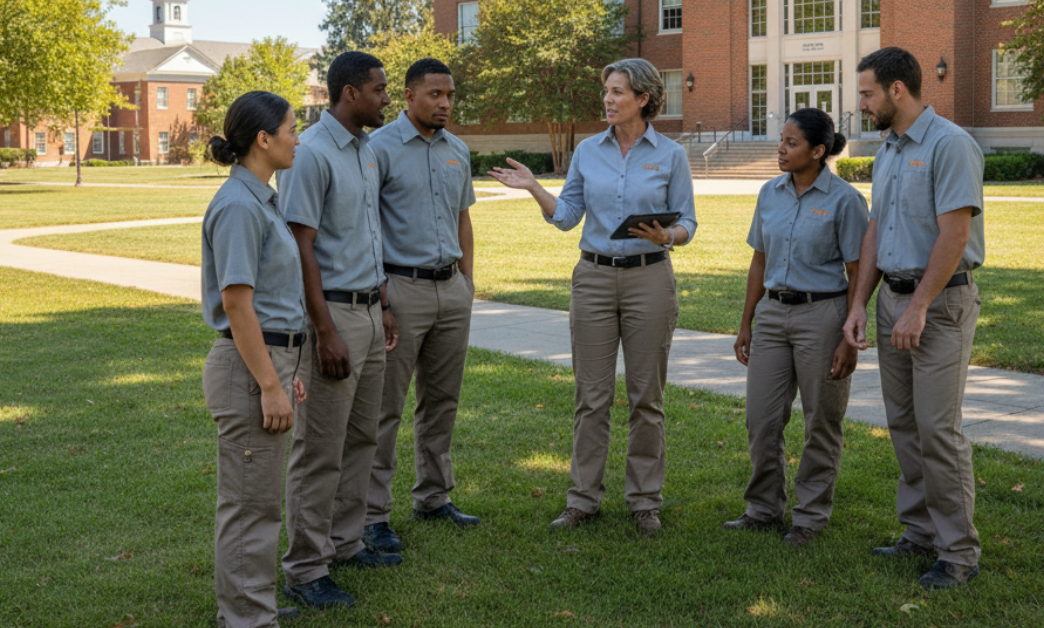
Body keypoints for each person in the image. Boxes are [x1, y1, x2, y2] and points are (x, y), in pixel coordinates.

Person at [489, 58, 697, 535]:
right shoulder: (587, 151)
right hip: (594, 279)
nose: (608, 99)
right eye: (606, 90)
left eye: (618, 91)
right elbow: (566, 217)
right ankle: (583, 499)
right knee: (592, 397)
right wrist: (534, 188)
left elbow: (688, 222)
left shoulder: (670, 155)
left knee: (647, 397)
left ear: (643, 98)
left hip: (650, 278)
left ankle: (645, 500)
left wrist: (669, 237)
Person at [842, 46, 985, 590]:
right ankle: (919, 533)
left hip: (940, 304)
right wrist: (860, 302)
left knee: (938, 430)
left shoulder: (950, 144)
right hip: (892, 301)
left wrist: (920, 306)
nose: (862, 103)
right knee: (904, 425)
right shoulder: (888, 151)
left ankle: (959, 553)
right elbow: (877, 229)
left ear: (896, 90)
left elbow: (954, 235)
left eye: (867, 93)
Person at [278, 51, 400, 611]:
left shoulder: (368, 151)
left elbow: (367, 235)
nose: (385, 99)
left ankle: (346, 544)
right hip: (334, 316)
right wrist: (324, 329)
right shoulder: (313, 154)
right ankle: (305, 569)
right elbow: (300, 245)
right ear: (350, 93)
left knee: (363, 436)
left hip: (372, 311)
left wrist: (385, 303)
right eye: (378, 90)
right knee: (319, 448)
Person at [726, 108, 868, 546]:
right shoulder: (770, 193)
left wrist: (849, 335)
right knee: (761, 419)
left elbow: (858, 270)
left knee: (821, 420)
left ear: (818, 151)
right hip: (772, 314)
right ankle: (764, 508)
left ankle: (809, 517)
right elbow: (759, 260)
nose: (781, 150)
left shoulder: (845, 200)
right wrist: (747, 321)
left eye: (791, 143)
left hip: (821, 317)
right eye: (780, 141)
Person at [363, 58, 480, 556]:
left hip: (451, 290)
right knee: (385, 408)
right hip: (401, 290)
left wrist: (468, 285)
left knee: (442, 402)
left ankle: (434, 497)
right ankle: (372, 516)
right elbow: (366, 227)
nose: (445, 103)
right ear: (408, 96)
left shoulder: (458, 150)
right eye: (434, 94)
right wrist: (382, 297)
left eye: (450, 95)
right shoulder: (378, 149)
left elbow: (464, 221)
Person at [200, 90, 306, 628]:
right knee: (248, 506)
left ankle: (251, 606)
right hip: (246, 372)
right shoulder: (240, 205)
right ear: (263, 139)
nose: (297, 137)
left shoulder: (260, 198)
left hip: (266, 363)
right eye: (291, 128)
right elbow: (238, 304)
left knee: (262, 502)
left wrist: (287, 372)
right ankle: (245, 619)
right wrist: (269, 383)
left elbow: (271, 299)